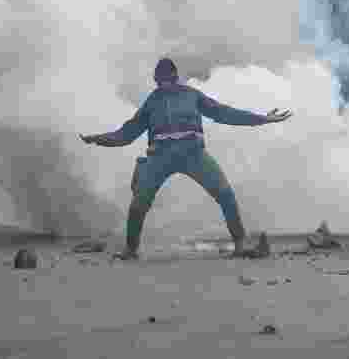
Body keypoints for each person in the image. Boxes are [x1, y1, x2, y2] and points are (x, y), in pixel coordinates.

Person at [80, 58, 292, 261]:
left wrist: (262, 119)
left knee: (225, 194)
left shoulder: (192, 95)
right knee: (139, 204)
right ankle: (131, 249)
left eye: (168, 78)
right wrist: (101, 139)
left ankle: (240, 244)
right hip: (159, 156)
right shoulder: (152, 101)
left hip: (194, 154)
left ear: (175, 76)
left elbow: (223, 113)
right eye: (161, 79)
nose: (165, 83)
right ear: (156, 79)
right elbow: (127, 133)